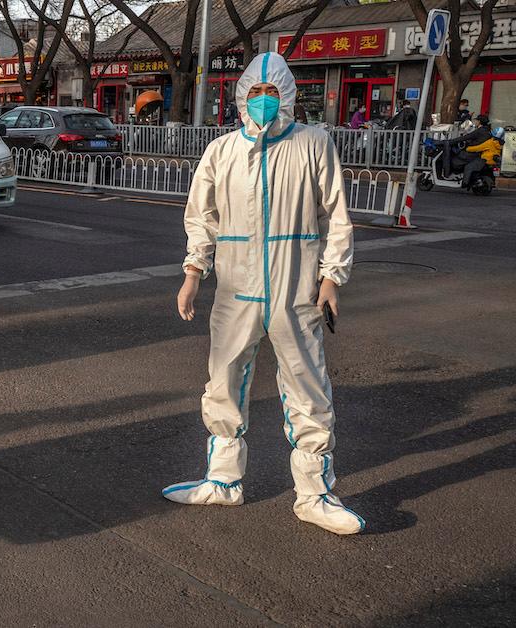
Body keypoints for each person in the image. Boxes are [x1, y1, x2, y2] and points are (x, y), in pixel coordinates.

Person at [166, 52, 363, 535]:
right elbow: (202, 218)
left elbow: (334, 214)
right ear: (240, 98)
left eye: (272, 94)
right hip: (236, 289)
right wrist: (194, 272)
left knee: (308, 385)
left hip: (295, 288)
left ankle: (314, 493)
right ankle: (223, 479)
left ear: (289, 96)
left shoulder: (313, 144)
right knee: (223, 380)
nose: (263, 103)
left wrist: (331, 277)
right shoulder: (221, 151)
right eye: (255, 94)